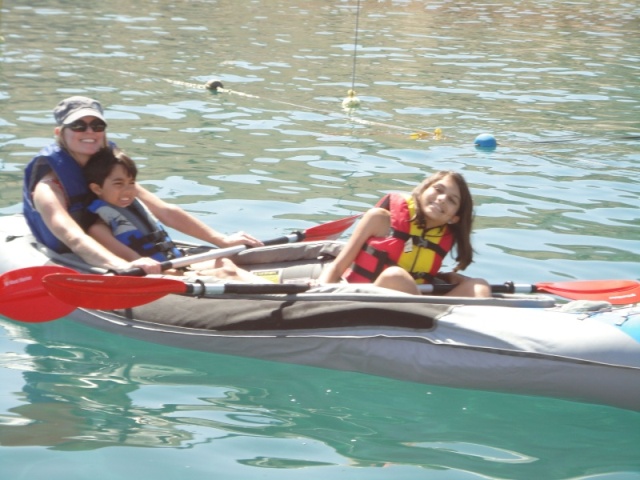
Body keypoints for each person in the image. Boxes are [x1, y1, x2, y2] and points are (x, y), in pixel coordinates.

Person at [23, 96, 262, 275]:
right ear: (60, 132)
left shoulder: (108, 170)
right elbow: (73, 237)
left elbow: (163, 210)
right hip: (85, 258)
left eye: (97, 126)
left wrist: (221, 240)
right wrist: (124, 266)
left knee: (225, 264)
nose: (89, 132)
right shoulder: (48, 188)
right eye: (78, 126)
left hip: (134, 251)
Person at [83, 147, 262, 281]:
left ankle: (284, 295)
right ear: (97, 188)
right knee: (226, 271)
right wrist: (171, 272)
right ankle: (276, 299)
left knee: (225, 262)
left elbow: (169, 212)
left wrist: (222, 240)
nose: (128, 191)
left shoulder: (135, 205)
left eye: (131, 183)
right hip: (153, 273)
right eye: (118, 184)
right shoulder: (98, 227)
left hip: (174, 262)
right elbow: (134, 260)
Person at [318, 171, 491, 297]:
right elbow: (337, 267)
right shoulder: (379, 219)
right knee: (395, 276)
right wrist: (319, 293)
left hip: (413, 307)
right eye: (438, 190)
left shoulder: (443, 237)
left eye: (452, 200)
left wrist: (446, 277)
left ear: (454, 218)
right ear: (423, 190)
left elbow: (417, 270)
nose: (442, 198)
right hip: (364, 302)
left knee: (479, 286)